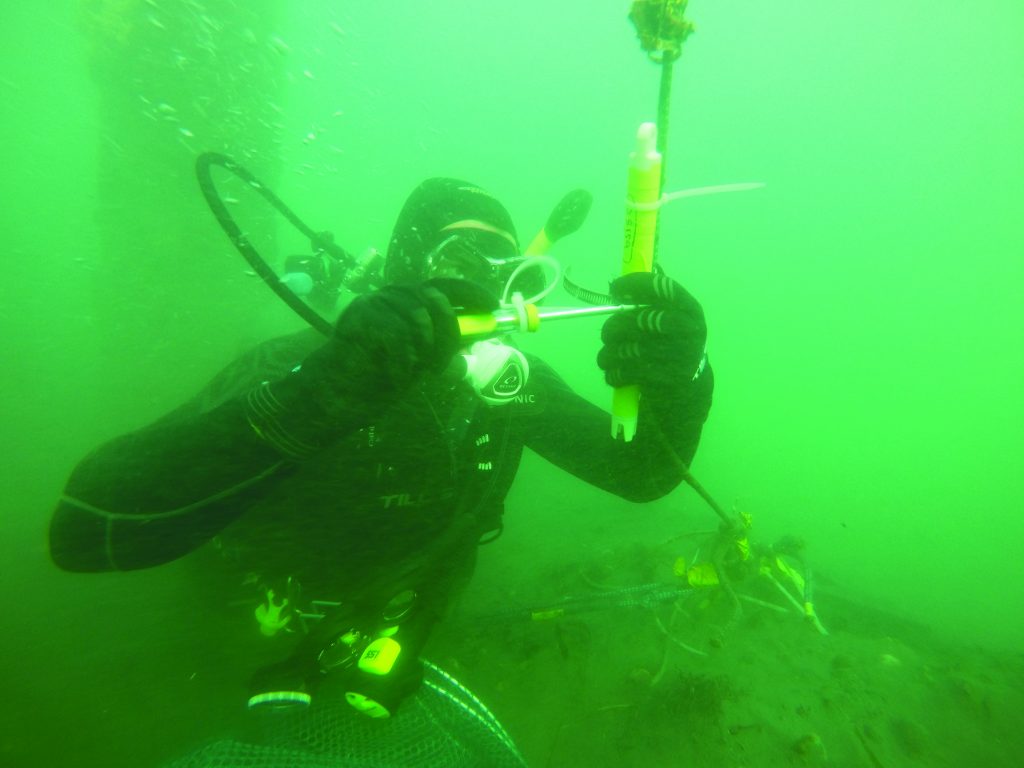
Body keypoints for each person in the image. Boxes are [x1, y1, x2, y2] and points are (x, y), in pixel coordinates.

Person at [49, 177, 714, 716]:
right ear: (406, 268)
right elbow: (83, 533)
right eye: (459, 260)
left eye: (504, 270)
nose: (482, 289)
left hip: (399, 611)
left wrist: (682, 380)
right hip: (241, 621)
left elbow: (641, 471)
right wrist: (320, 396)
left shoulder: (508, 389)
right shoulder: (301, 370)